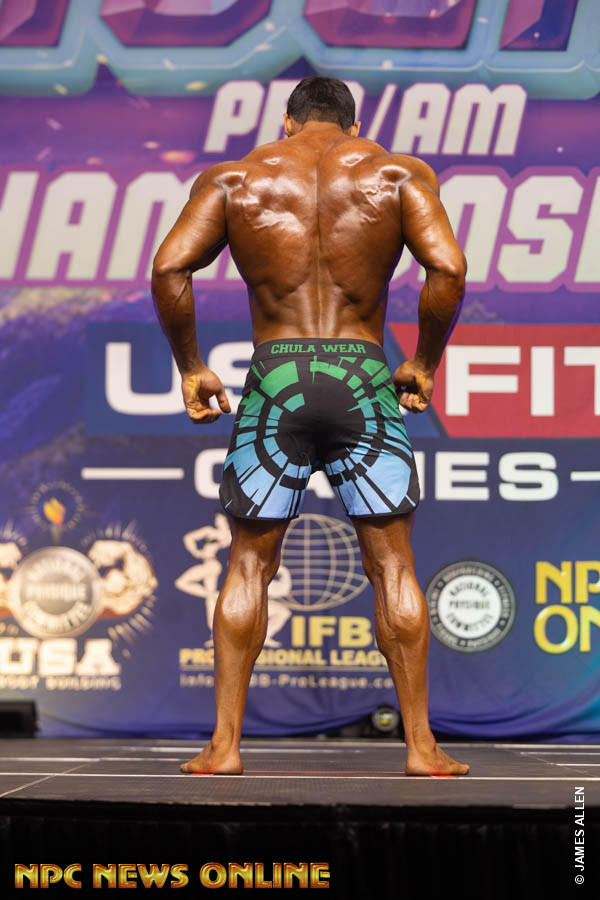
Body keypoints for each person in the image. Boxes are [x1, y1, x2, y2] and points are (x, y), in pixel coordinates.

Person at [151, 76, 468, 777]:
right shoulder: (397, 174)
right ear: (353, 126)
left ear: (287, 122)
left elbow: (171, 266)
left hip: (277, 381)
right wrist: (423, 362)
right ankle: (421, 748)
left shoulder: (235, 177)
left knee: (248, 564)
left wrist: (192, 366)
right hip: (362, 379)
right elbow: (447, 268)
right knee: (393, 566)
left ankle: (224, 747)